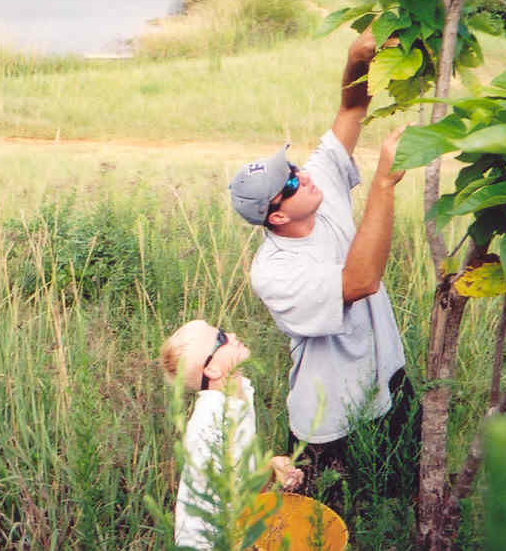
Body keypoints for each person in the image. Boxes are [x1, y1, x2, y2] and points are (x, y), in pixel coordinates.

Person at [227, 27, 417, 496]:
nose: (299, 176)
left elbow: (351, 109)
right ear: (275, 215)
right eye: (287, 184)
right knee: (329, 522)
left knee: (402, 499)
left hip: (388, 384)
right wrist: (384, 185)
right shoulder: (274, 272)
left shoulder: (316, 184)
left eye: (290, 168)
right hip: (329, 420)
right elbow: (361, 280)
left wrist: (358, 59)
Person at [159, 319, 304, 550]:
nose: (233, 335)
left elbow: (240, 477)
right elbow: (227, 501)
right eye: (220, 339)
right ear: (212, 370)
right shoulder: (211, 424)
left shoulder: (238, 396)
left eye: (223, 332)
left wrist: (271, 467)